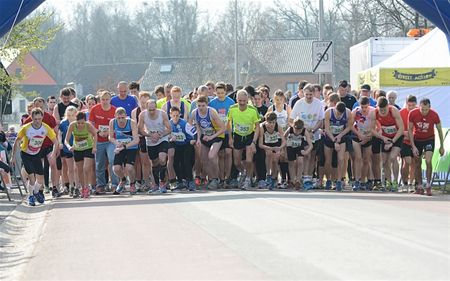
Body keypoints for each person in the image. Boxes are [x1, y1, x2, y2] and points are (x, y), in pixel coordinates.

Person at [11, 108, 59, 206]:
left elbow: (55, 142)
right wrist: (13, 156)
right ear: (32, 118)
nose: (37, 121)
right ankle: (31, 196)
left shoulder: (45, 128)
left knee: (40, 179)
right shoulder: (26, 128)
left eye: (39, 119)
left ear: (42, 118)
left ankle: (36, 192)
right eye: (35, 119)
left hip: (37, 153)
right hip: (26, 154)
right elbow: (17, 141)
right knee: (32, 178)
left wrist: (53, 154)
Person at [289, 84, 325, 189]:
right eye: (307, 94)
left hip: (314, 133)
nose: (309, 97)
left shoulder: (318, 103)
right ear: (303, 94)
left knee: (313, 155)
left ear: (314, 93)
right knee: (306, 155)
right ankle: (303, 176)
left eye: (311, 94)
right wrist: (300, 129)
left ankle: (308, 177)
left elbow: (320, 120)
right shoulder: (299, 103)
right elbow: (291, 120)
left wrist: (313, 130)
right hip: (302, 133)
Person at [23, 97, 60, 197]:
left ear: (43, 105)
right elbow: (23, 135)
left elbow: (56, 131)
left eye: (41, 104)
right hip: (35, 148)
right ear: (34, 106)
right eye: (36, 105)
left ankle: (55, 187)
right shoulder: (28, 120)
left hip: (48, 145)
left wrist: (58, 145)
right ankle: (40, 189)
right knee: (38, 169)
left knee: (53, 164)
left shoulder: (49, 117)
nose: (39, 106)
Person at [408, 98, 445, 196]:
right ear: (419, 107)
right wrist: (413, 145)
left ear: (429, 107)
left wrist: (442, 146)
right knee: (417, 162)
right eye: (422, 109)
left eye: (426, 109)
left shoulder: (434, 114)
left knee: (428, 160)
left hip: (429, 139)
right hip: (417, 139)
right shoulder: (412, 113)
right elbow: (410, 130)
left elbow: (440, 130)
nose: (424, 112)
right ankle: (419, 186)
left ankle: (428, 185)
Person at [227, 90, 260, 190]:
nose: (242, 103)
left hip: (249, 135)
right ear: (236, 100)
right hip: (237, 135)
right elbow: (228, 123)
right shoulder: (232, 109)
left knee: (249, 160)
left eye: (244, 101)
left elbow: (258, 126)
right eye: (240, 100)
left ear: (247, 100)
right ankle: (244, 172)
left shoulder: (253, 110)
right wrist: (230, 138)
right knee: (237, 162)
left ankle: (248, 179)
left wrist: (254, 141)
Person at [192, 96, 226, 189]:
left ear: (206, 105)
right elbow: (198, 128)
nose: (201, 108)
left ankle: (218, 178)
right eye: (199, 105)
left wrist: (212, 137)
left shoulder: (211, 112)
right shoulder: (195, 113)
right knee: (204, 159)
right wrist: (198, 139)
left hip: (217, 136)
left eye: (203, 105)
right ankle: (212, 179)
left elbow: (223, 128)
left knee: (211, 156)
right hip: (205, 137)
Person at [371, 97, 404, 191]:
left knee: (393, 157)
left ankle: (395, 182)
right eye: (381, 110)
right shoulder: (375, 113)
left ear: (387, 106)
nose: (383, 112)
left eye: (384, 110)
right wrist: (383, 138)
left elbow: (401, 128)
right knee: (385, 161)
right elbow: (372, 129)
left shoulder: (393, 110)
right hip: (385, 137)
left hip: (396, 136)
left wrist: (392, 141)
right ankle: (389, 181)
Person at [138, 99, 172, 193]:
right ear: (146, 108)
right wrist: (150, 135)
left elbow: (169, 129)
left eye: (153, 109)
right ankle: (156, 184)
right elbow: (140, 129)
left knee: (162, 158)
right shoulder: (142, 115)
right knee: (154, 162)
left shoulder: (162, 114)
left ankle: (163, 182)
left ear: (156, 108)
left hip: (162, 139)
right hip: (150, 140)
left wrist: (160, 135)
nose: (152, 111)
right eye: (150, 110)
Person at [89, 90, 118, 194]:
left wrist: (109, 132)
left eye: (107, 99)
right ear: (99, 100)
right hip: (99, 140)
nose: (105, 101)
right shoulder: (94, 109)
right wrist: (98, 131)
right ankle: (101, 185)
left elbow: (118, 125)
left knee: (112, 160)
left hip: (111, 140)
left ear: (110, 100)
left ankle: (114, 184)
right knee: (99, 164)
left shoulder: (114, 110)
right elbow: (90, 124)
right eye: (103, 99)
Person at [208, 82, 235, 187]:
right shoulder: (212, 103)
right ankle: (221, 178)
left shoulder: (231, 102)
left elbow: (232, 118)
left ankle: (228, 177)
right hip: (218, 132)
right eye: (218, 93)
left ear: (225, 92)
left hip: (228, 131)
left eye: (222, 93)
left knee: (228, 153)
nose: (220, 95)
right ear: (215, 92)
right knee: (220, 155)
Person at [65, 111, 97, 198]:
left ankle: (87, 187)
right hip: (77, 149)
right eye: (78, 123)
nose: (80, 125)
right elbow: (66, 140)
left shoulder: (88, 125)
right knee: (79, 171)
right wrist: (69, 147)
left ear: (85, 121)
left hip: (88, 148)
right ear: (76, 121)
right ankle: (83, 188)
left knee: (86, 169)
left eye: (82, 123)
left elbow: (95, 134)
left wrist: (94, 147)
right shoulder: (72, 125)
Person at [109, 107, 140, 195]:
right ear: (115, 116)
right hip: (120, 147)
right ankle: (123, 180)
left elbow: (136, 140)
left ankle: (132, 184)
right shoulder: (112, 122)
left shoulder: (131, 122)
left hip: (131, 147)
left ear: (126, 116)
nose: (121, 120)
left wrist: (124, 147)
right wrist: (116, 143)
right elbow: (110, 137)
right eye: (118, 118)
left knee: (129, 168)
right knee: (116, 169)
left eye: (123, 118)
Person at [324, 102, 353, 191]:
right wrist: (334, 140)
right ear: (335, 109)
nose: (339, 115)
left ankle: (339, 180)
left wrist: (340, 136)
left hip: (341, 136)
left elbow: (349, 127)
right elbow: (327, 129)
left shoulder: (348, 113)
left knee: (341, 159)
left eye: (341, 113)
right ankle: (328, 179)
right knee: (328, 160)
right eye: (338, 113)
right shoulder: (329, 112)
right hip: (330, 137)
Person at [169, 106, 196, 191]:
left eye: (177, 115)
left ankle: (190, 181)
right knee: (175, 163)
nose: (175, 117)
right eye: (174, 115)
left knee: (186, 162)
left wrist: (193, 140)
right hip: (177, 145)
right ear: (170, 115)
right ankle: (180, 181)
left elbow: (194, 132)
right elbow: (166, 134)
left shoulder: (184, 123)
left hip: (186, 144)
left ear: (180, 115)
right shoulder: (169, 123)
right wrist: (170, 138)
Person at [131, 91, 153, 191]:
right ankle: (145, 182)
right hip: (141, 138)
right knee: (144, 162)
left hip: (153, 137)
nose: (144, 105)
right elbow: (134, 127)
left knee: (153, 161)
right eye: (142, 102)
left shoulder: (153, 111)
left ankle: (155, 181)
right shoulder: (135, 112)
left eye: (146, 102)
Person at [351, 96, 374, 191]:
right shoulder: (355, 111)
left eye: (366, 107)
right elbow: (350, 125)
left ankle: (363, 181)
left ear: (369, 105)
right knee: (358, 158)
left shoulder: (373, 111)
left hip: (368, 136)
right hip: (357, 136)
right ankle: (356, 180)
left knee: (366, 159)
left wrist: (368, 137)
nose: (364, 109)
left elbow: (375, 126)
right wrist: (359, 134)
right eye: (362, 107)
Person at [258, 112, 286, 190]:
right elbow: (260, 144)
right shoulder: (262, 127)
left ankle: (274, 178)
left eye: (273, 122)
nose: (271, 125)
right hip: (266, 145)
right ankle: (268, 174)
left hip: (276, 144)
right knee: (269, 153)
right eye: (269, 122)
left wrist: (280, 148)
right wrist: (269, 148)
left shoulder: (278, 127)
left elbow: (284, 141)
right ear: (266, 121)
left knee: (275, 159)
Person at [285, 119, 312, 190]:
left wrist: (306, 152)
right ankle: (292, 180)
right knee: (291, 163)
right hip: (290, 146)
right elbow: (283, 138)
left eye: (300, 130)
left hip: (299, 147)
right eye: (296, 130)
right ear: (293, 126)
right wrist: (283, 150)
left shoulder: (304, 131)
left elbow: (311, 145)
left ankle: (298, 180)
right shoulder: (289, 129)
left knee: (300, 162)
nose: (297, 132)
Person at [58, 106, 78, 196]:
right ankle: (71, 186)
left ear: (76, 115)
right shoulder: (63, 123)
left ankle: (78, 186)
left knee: (76, 168)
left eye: (73, 115)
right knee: (70, 169)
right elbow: (59, 134)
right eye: (69, 115)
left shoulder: (78, 123)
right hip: (67, 148)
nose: (71, 117)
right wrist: (60, 143)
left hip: (77, 147)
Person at [399, 95, 417, 191]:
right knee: (407, 161)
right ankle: (404, 181)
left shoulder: (419, 111)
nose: (410, 107)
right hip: (404, 140)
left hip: (415, 140)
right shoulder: (401, 112)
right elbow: (396, 127)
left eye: (413, 105)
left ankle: (411, 183)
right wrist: (403, 132)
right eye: (409, 105)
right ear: (406, 104)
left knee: (414, 162)